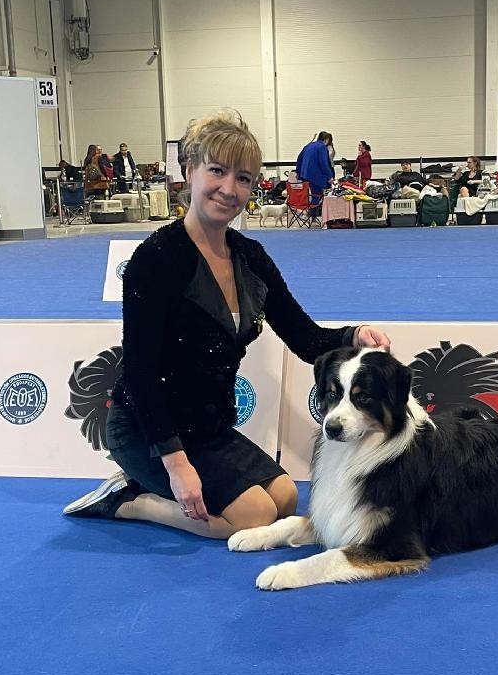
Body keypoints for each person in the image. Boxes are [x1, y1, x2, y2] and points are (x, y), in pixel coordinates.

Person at [63, 110, 390, 539]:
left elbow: (305, 338)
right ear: (189, 171)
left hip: (209, 428)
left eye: (244, 178)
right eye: (217, 171)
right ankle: (130, 502)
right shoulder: (154, 260)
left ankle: (149, 488)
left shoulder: (251, 257)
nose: (229, 189)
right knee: (253, 516)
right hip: (147, 429)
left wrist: (354, 336)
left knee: (285, 499)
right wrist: (177, 466)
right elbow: (141, 375)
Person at [295, 131, 334, 213]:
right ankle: (312, 215)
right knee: (317, 196)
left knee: (310, 196)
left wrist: (298, 172)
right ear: (327, 139)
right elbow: (323, 163)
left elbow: (299, 158)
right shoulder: (322, 147)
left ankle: (308, 213)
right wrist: (329, 176)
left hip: (304, 175)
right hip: (315, 176)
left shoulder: (308, 145)